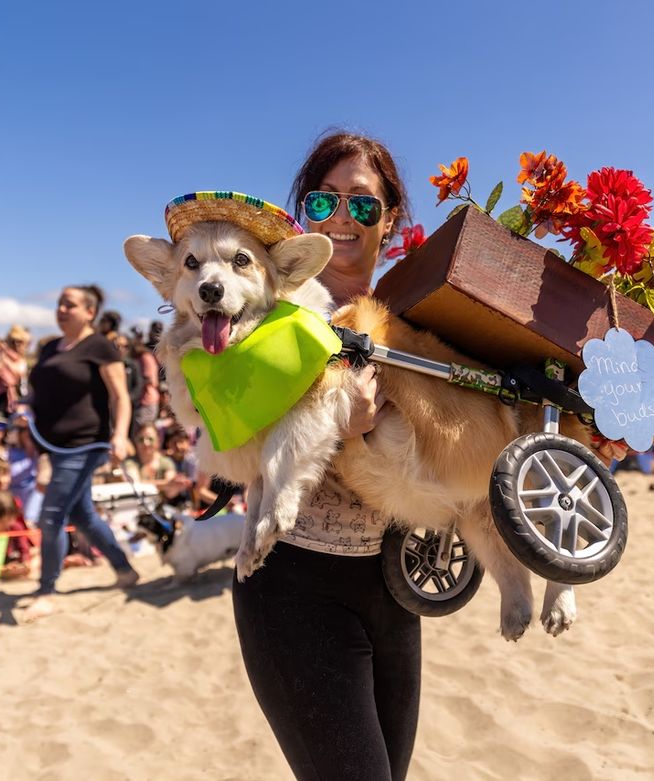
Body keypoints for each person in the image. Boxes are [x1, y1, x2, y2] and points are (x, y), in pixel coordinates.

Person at [231, 132, 417, 781]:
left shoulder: (413, 320)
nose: (342, 217)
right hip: (293, 586)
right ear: (303, 213)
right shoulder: (265, 311)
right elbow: (230, 438)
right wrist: (336, 423)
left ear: (389, 220)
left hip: (396, 587)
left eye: (362, 204)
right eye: (324, 200)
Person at [23, 284, 138, 620]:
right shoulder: (49, 347)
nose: (61, 309)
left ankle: (46, 591)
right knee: (82, 515)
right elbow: (39, 390)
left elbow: (120, 396)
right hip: (52, 446)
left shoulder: (100, 346)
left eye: (69, 304)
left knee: (51, 516)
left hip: (84, 446)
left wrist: (120, 435)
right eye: (59, 303)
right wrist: (24, 406)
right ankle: (125, 570)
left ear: (90, 312)